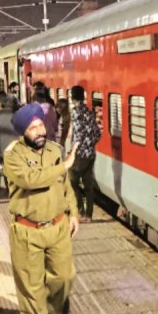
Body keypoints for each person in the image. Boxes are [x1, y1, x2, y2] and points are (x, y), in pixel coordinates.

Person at [4, 103, 81, 314]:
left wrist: (73, 212)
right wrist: (65, 166)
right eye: (32, 127)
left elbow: (65, 186)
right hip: (27, 231)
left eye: (40, 125)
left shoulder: (54, 150)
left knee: (64, 276)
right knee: (31, 284)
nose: (39, 131)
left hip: (58, 227)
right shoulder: (13, 155)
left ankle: (57, 313)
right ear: (22, 132)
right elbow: (31, 179)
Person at [68, 86, 102, 223]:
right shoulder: (89, 112)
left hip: (80, 154)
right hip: (90, 154)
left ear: (73, 98)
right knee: (88, 186)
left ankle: (80, 211)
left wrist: (74, 150)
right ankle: (89, 215)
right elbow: (98, 132)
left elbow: (78, 134)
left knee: (72, 182)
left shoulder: (76, 112)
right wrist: (90, 144)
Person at [0, 91, 15, 190]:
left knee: (6, 168)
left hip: (3, 148)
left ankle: (8, 188)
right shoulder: (16, 114)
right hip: (16, 146)